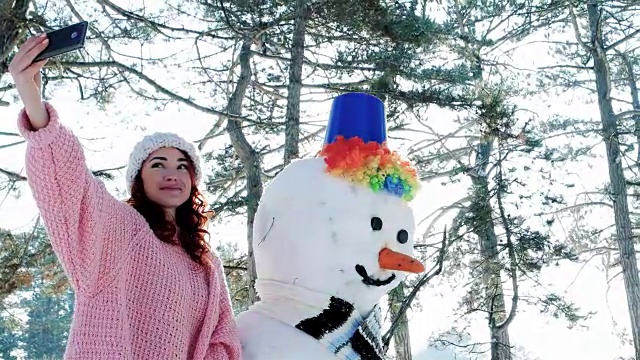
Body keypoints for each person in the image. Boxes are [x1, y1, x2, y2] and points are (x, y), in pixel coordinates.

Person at [8, 34, 242, 359]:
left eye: (182, 165)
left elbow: (222, 341)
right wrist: (34, 103)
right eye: (157, 165)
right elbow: (71, 187)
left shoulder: (206, 264)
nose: (171, 173)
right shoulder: (119, 233)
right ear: (138, 180)